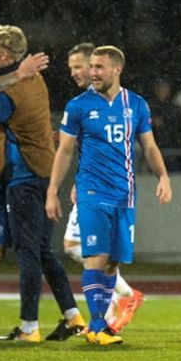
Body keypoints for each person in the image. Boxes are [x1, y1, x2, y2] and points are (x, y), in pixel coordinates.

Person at [46, 45, 172, 346]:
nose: (93, 72)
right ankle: (99, 325)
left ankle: (100, 324)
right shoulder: (78, 106)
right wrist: (52, 191)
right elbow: (64, 150)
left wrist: (163, 176)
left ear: (117, 69)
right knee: (94, 257)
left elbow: (150, 147)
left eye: (99, 67)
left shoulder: (137, 105)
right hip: (92, 192)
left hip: (124, 195)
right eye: (91, 66)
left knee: (113, 262)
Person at [0, 25, 85, 343]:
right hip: (41, 173)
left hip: (24, 177)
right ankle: (72, 315)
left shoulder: (13, 88)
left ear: (3, 54)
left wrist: (6, 78)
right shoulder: (34, 79)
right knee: (42, 251)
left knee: (24, 252)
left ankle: (29, 327)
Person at [62, 42, 145, 335]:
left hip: (112, 191)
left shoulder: (123, 102)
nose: (77, 73)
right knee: (88, 251)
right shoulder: (81, 104)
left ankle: (118, 302)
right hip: (90, 190)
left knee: (89, 252)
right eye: (72, 67)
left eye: (79, 66)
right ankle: (106, 312)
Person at [0, 51, 50, 342]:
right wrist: (17, 75)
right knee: (4, 250)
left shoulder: (11, 86)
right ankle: (30, 325)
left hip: (6, 179)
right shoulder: (15, 82)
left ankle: (63, 317)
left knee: (21, 249)